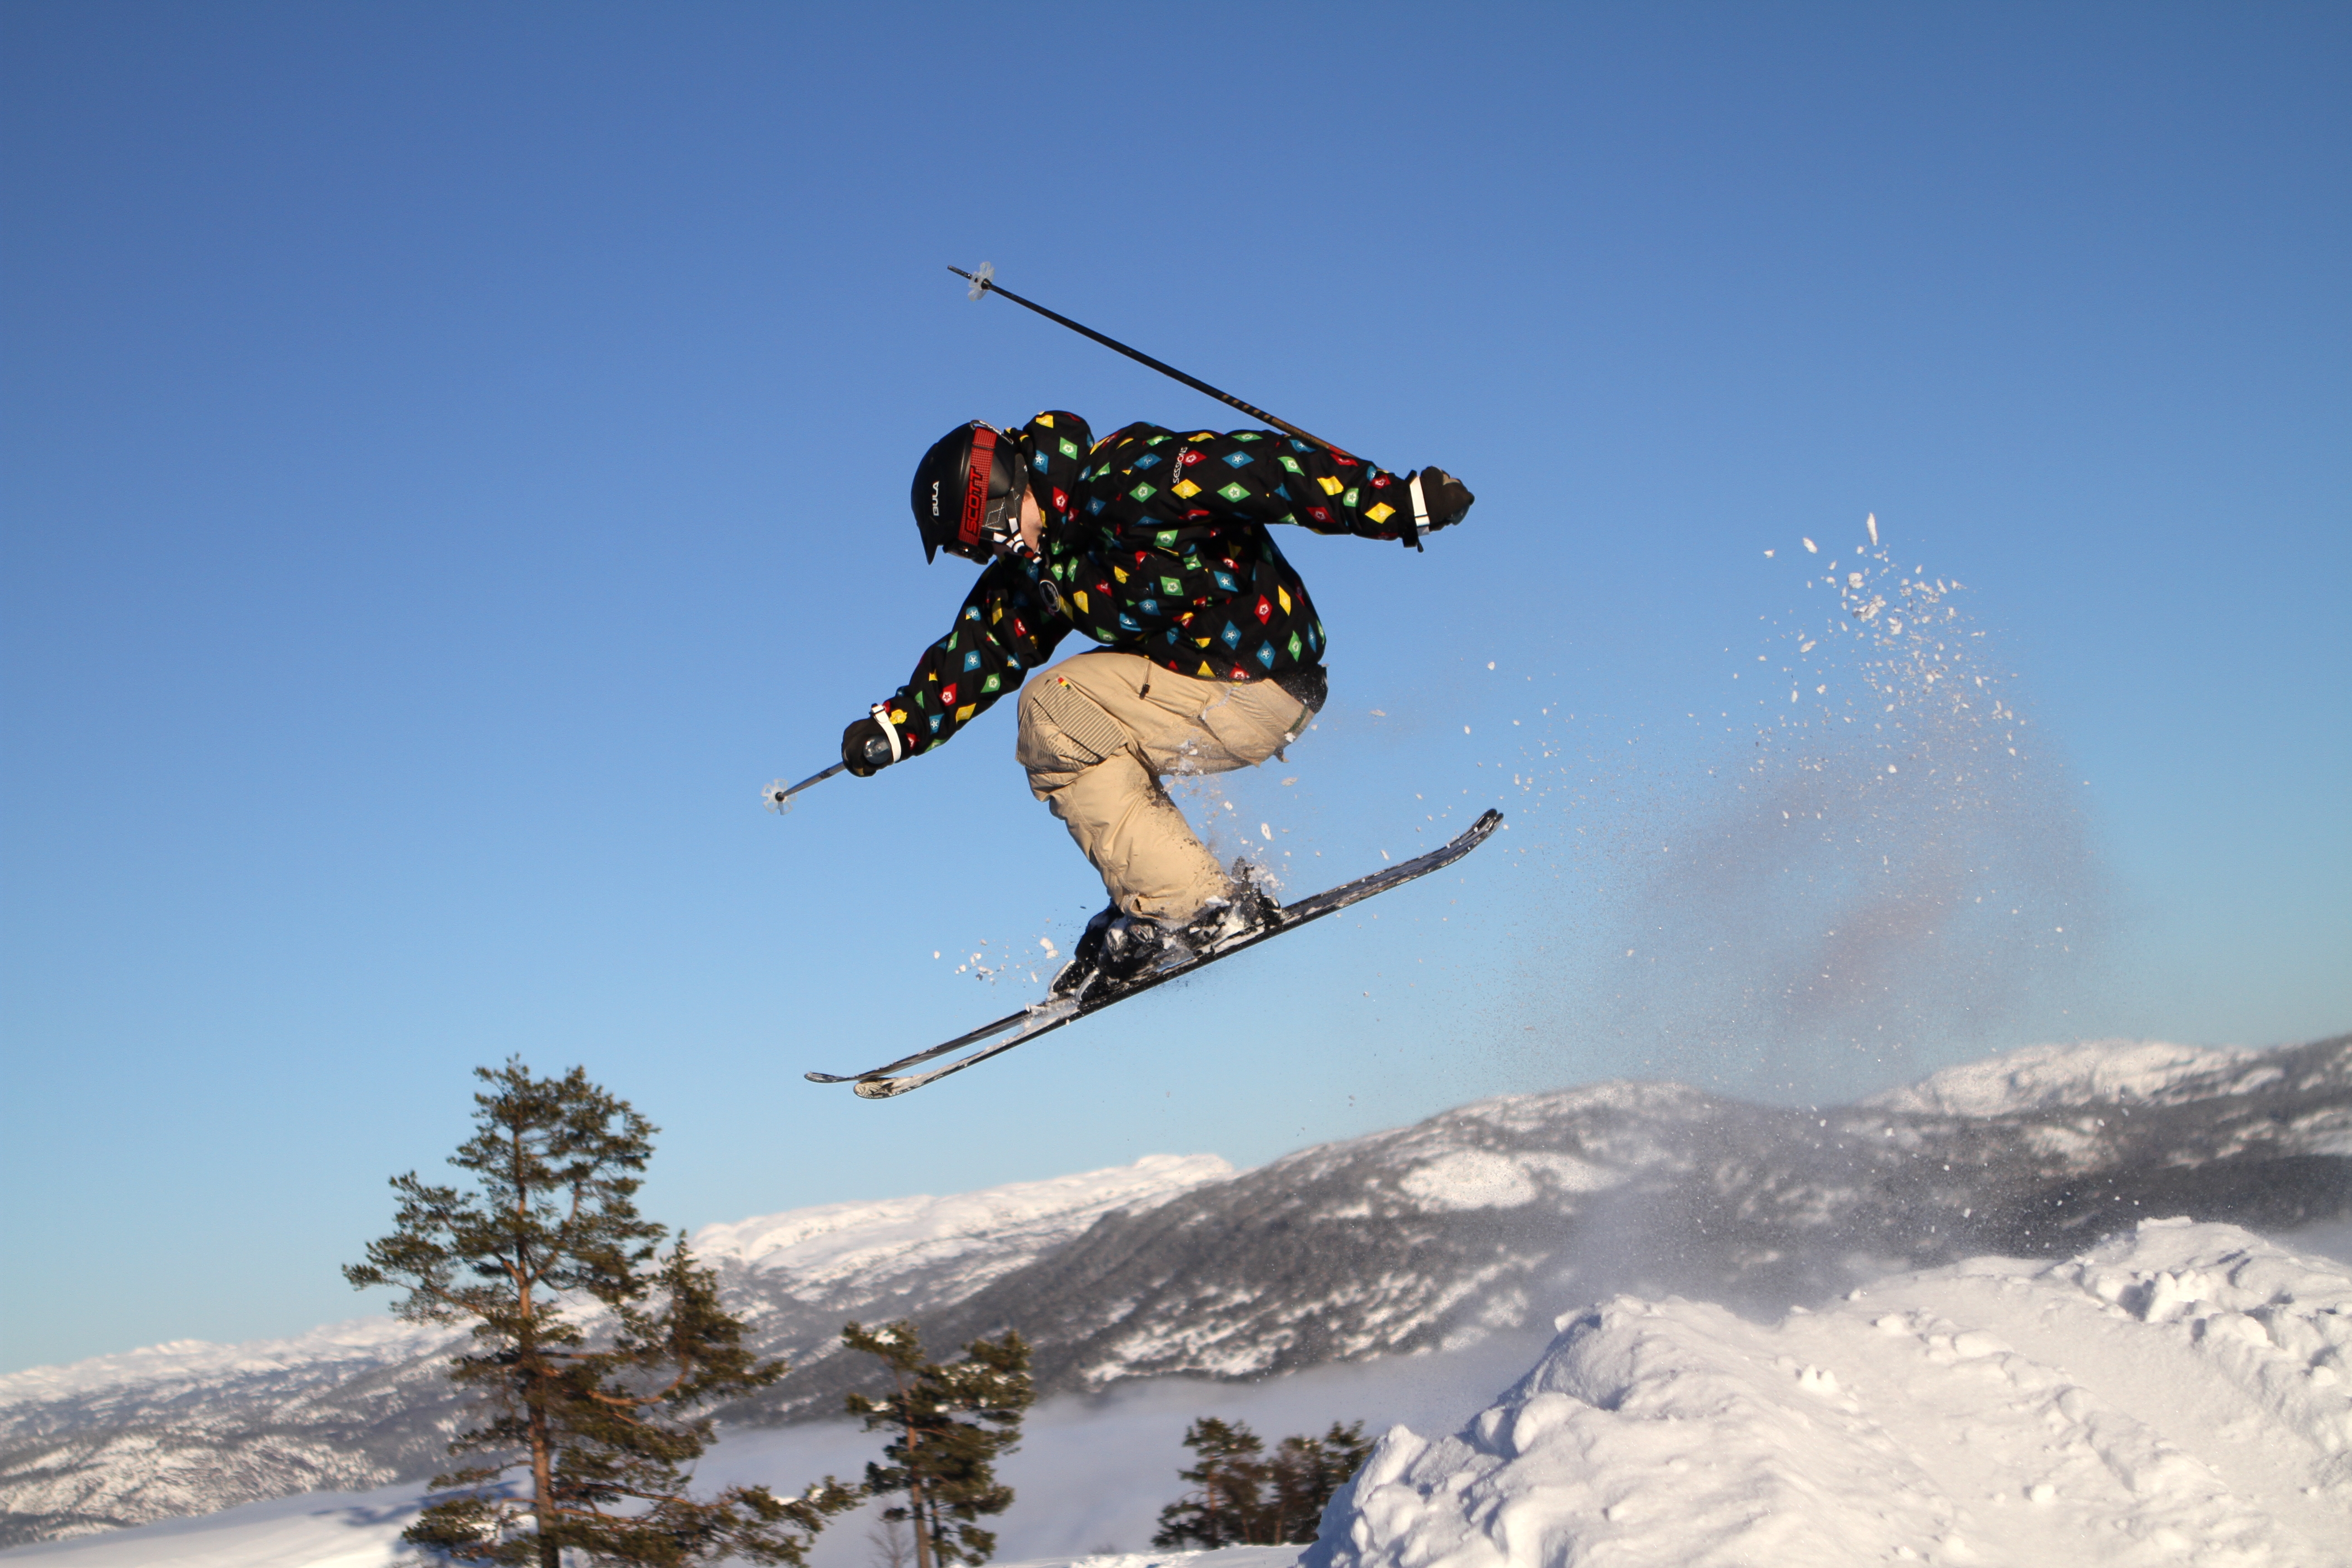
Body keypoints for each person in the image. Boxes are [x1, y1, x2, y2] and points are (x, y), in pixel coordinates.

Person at [842, 410, 1472, 996]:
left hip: (1256, 678)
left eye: (975, 541)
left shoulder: (1125, 479)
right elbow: (986, 642)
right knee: (1072, 728)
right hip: (1217, 685)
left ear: (998, 498)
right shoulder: (1050, 561)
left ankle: (1194, 903)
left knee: (1052, 711)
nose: (983, 555)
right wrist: (900, 727)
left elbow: (1265, 469)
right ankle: (1156, 896)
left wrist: (1398, 502)